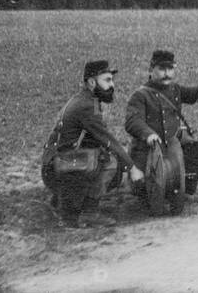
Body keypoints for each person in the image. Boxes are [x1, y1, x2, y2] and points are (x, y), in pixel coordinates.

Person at [42, 60, 144, 228]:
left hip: (54, 164)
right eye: (107, 80)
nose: (112, 85)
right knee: (111, 163)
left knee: (98, 154)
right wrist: (132, 168)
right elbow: (108, 139)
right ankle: (88, 214)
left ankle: (65, 202)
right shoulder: (87, 106)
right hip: (59, 167)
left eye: (112, 80)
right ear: (91, 82)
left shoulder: (83, 100)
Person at [125, 50, 198, 208]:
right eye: (161, 69)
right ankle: (155, 192)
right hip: (148, 151)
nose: (167, 74)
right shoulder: (140, 96)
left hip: (172, 147)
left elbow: (196, 95)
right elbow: (132, 121)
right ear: (150, 70)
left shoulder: (175, 90)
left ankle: (178, 188)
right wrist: (148, 135)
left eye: (170, 69)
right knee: (145, 187)